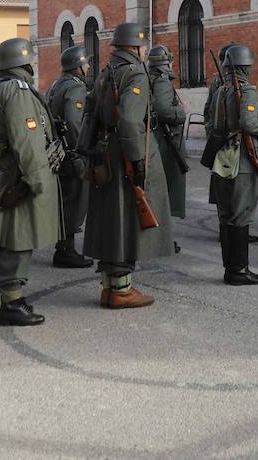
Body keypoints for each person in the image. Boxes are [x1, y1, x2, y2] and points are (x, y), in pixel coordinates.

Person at [82, 23, 173, 308]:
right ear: (135, 47)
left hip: (107, 152)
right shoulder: (134, 74)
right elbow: (132, 122)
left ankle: (111, 286)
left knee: (111, 219)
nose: (145, 51)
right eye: (143, 46)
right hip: (126, 154)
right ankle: (122, 290)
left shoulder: (106, 73)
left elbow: (91, 112)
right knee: (126, 219)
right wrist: (137, 161)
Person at [0, 37, 62, 326]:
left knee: (8, 238)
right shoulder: (17, 90)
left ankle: (11, 297)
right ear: (23, 62)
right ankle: (12, 302)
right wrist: (36, 180)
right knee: (17, 239)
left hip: (4, 172)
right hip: (17, 177)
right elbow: (27, 140)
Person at [209, 43, 258, 285]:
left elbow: (214, 124)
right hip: (242, 159)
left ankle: (230, 269)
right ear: (245, 66)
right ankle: (239, 271)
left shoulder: (219, 90)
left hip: (222, 156)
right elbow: (249, 124)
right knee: (241, 214)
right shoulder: (247, 91)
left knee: (226, 215)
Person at [44, 45, 94, 269]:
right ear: (78, 67)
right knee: (75, 200)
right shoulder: (76, 88)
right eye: (85, 63)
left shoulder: (56, 84)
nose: (88, 66)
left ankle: (63, 246)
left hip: (58, 150)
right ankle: (66, 249)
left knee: (64, 199)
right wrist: (80, 149)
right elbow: (74, 121)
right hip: (71, 152)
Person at [146, 45, 188, 253]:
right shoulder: (161, 80)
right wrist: (181, 112)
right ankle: (162, 238)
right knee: (164, 192)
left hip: (158, 139)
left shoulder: (148, 77)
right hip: (165, 140)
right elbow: (163, 110)